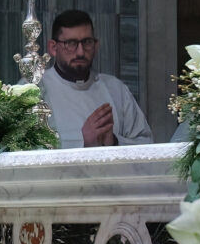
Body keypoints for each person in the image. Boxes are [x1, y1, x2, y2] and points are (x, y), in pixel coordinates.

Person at [39, 9, 153, 148]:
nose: (80, 52)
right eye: (71, 43)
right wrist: (84, 144)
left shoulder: (115, 89)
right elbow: (24, 153)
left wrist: (114, 142)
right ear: (53, 48)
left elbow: (146, 145)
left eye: (87, 42)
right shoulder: (36, 90)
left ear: (96, 45)